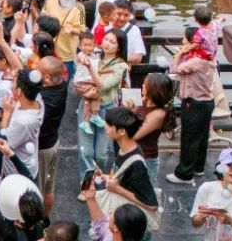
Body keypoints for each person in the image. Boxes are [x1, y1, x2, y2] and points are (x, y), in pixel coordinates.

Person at [77, 28, 129, 191]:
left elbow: (104, 85)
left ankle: (96, 178)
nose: (107, 44)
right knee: (86, 151)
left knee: (101, 153)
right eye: (106, 39)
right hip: (87, 105)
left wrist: (90, 69)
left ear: (119, 47)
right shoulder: (94, 54)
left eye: (112, 42)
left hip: (107, 109)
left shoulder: (120, 65)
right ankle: (87, 186)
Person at [167, 25, 219, 185]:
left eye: (185, 38)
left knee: (189, 138)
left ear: (193, 42)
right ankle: (198, 167)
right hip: (206, 102)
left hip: (193, 103)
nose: (182, 40)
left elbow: (173, 70)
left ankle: (184, 174)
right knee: (201, 137)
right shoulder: (209, 57)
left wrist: (180, 53)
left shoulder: (195, 61)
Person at [97, 107, 159, 227]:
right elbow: (122, 177)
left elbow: (152, 205)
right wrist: (106, 177)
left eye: (109, 125)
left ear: (122, 131)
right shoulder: (123, 149)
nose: (105, 127)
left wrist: (117, 189)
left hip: (129, 224)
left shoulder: (136, 164)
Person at [36, 56, 68, 215]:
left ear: (47, 77)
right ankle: (47, 221)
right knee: (49, 188)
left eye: (38, 70)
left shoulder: (44, 98)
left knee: (38, 192)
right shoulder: (62, 85)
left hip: (42, 150)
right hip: (53, 143)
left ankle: (39, 225)